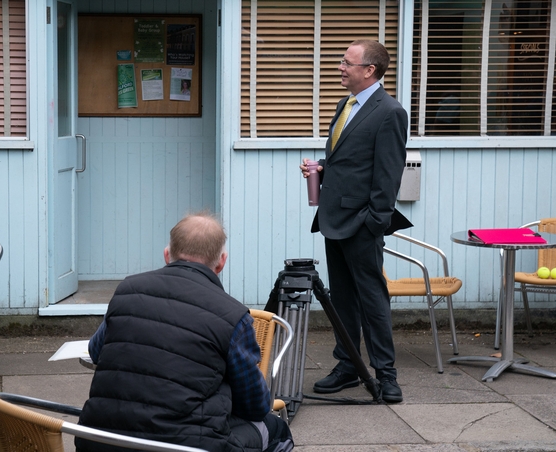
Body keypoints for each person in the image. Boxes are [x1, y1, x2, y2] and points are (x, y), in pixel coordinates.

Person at [76, 213, 293, 452]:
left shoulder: (128, 290)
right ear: (221, 262)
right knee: (275, 428)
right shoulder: (233, 316)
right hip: (185, 446)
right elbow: (255, 406)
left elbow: (96, 352)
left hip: (101, 441)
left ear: (167, 254)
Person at [299, 40, 408, 403]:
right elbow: (352, 160)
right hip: (333, 217)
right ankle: (347, 366)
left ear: (369, 71)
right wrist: (322, 168)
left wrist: (374, 223)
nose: (340, 68)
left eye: (347, 63)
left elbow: (388, 174)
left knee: (371, 298)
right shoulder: (345, 105)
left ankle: (386, 374)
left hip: (362, 222)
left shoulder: (390, 112)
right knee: (342, 298)